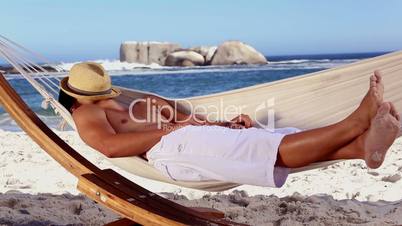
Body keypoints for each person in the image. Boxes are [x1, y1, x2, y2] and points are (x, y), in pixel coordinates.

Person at [59, 62, 401, 187]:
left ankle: (362, 148)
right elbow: (110, 147)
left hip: (188, 138)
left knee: (275, 137)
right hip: (170, 150)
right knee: (265, 150)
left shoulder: (123, 100)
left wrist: (226, 124)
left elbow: (185, 120)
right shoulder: (85, 113)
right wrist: (171, 130)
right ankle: (355, 123)